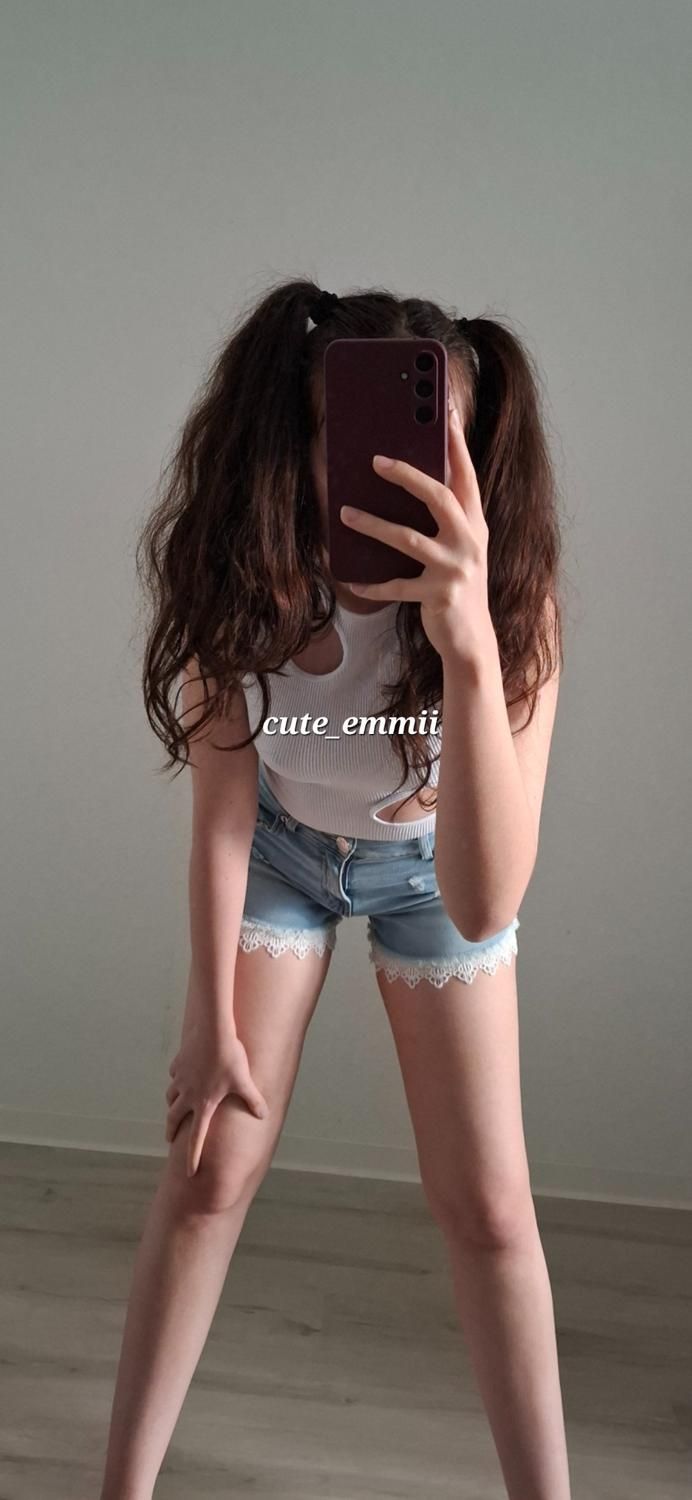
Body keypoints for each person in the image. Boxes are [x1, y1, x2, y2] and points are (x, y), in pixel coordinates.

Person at [99, 278, 569, 1499]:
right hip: (279, 852)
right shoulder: (246, 565)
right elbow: (221, 808)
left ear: (468, 453)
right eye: (341, 441)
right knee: (205, 1173)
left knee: (490, 1212)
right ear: (296, 446)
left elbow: (483, 901)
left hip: (432, 874)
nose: (383, 473)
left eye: (427, 443)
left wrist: (466, 645)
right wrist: (207, 1022)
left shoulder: (511, 599)